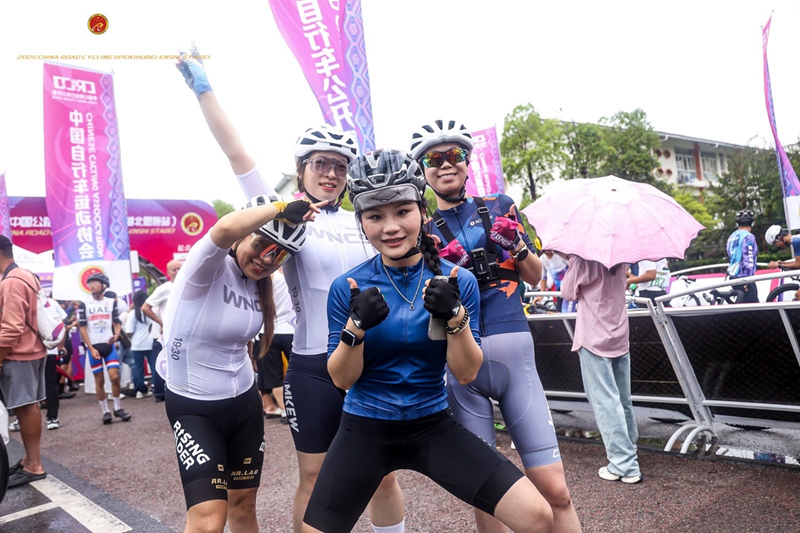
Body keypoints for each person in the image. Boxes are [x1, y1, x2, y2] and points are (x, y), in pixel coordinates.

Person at [175, 47, 405, 533]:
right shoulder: (287, 216)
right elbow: (237, 155)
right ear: (301, 169)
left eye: (340, 166)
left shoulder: (365, 219)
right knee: (316, 477)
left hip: (371, 359)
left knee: (383, 475)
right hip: (312, 365)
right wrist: (203, 90)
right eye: (321, 163)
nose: (331, 173)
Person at [301, 150, 553, 533]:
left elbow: (466, 374)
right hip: (365, 428)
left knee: (537, 516)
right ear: (361, 222)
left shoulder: (457, 281)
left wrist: (455, 317)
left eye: (402, 211)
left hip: (432, 424)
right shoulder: (348, 286)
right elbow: (341, 379)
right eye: (375, 216)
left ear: (422, 212)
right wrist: (356, 328)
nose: (390, 227)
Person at [408, 120, 581, 532]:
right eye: (434, 158)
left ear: (468, 162)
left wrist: (516, 245)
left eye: (455, 155)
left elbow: (535, 276)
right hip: (460, 364)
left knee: (555, 490)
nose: (445, 164)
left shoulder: (501, 205)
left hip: (513, 354)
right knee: (487, 498)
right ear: (423, 170)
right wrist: (443, 269)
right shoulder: (421, 230)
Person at [161, 193, 318, 533]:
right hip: (194, 408)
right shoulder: (207, 268)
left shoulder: (263, 285)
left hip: (244, 405)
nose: (267, 258)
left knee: (244, 506)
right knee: (208, 521)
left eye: (279, 254)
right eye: (261, 243)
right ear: (243, 237)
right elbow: (224, 228)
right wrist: (280, 208)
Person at [561, 255, 642, 484]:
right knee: (622, 399)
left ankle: (624, 464)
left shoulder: (582, 258)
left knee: (605, 401)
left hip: (593, 335)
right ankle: (629, 449)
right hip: (619, 334)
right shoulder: (621, 258)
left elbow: (567, 292)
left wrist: (571, 262)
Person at [0, 235, 48, 487]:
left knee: (26, 407)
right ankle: (30, 459)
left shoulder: (10, 282)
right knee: (28, 406)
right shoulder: (25, 274)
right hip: (33, 349)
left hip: (19, 354)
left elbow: (10, 329)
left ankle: (34, 465)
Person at [77, 273, 132, 424]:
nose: (92, 286)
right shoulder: (84, 303)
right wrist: (90, 348)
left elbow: (116, 321)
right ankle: (105, 411)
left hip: (109, 346)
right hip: (94, 346)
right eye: (90, 283)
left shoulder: (111, 302)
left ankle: (118, 408)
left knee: (114, 377)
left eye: (95, 283)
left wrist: (117, 334)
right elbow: (82, 328)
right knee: (99, 380)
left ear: (104, 286)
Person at [142, 258, 184, 402]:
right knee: (163, 364)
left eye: (180, 268)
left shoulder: (188, 285)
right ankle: (160, 394)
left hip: (183, 334)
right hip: (166, 336)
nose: (177, 271)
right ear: (168, 273)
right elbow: (145, 307)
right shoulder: (164, 289)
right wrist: (162, 323)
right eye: (174, 269)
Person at [256, 268, 294, 421]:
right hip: (290, 329)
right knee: (297, 371)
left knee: (274, 375)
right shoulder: (293, 275)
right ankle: (295, 409)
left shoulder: (269, 276)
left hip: (269, 330)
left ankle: (286, 411)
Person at [125, 290, 155, 399]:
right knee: (153, 366)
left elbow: (129, 331)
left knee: (138, 367)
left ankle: (140, 390)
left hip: (137, 344)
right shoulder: (150, 311)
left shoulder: (132, 314)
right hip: (150, 342)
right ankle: (157, 387)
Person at [726, 209, 759, 303]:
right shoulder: (748, 236)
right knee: (753, 306)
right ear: (753, 223)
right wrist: (747, 281)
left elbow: (729, 253)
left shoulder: (732, 236)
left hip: (733, 275)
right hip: (744, 277)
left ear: (737, 224)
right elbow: (749, 259)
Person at [766, 224, 800, 301]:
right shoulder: (796, 239)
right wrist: (781, 264)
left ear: (778, 237)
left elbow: (798, 264)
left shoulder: (796, 241)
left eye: (775, 243)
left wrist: (778, 265)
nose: (777, 246)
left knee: (798, 295)